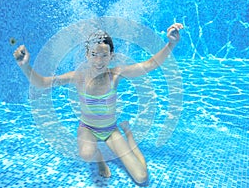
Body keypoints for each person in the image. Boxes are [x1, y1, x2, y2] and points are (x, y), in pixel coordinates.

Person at [13, 23, 183, 185]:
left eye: (104, 55)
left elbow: (150, 64)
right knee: (86, 154)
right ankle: (100, 158)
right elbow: (42, 82)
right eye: (94, 54)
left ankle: (129, 134)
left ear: (111, 56)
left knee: (142, 177)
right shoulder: (78, 77)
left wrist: (171, 44)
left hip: (110, 131)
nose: (99, 60)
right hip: (87, 128)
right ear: (87, 55)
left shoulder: (115, 74)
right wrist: (25, 66)